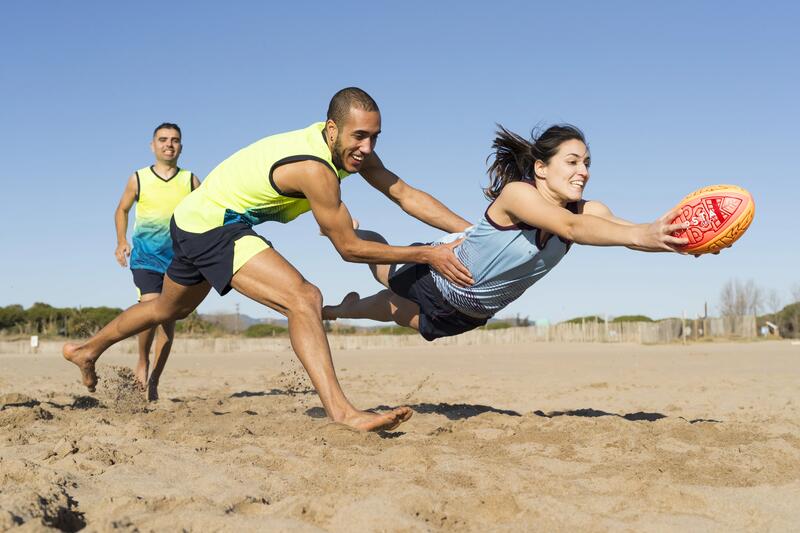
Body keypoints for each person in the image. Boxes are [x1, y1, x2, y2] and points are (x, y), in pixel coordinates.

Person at [64, 87, 472, 431]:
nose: (367, 148)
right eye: (359, 136)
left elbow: (404, 193)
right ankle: (343, 412)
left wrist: (471, 232)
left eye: (375, 138)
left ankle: (87, 349)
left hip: (192, 218)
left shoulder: (344, 151)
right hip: (212, 225)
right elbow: (348, 249)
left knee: (168, 308)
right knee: (304, 297)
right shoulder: (315, 169)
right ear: (332, 129)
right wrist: (427, 254)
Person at [322, 124, 690, 340]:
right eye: (573, 162)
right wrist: (645, 235)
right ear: (541, 168)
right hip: (436, 278)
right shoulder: (519, 195)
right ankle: (351, 229)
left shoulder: (590, 211)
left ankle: (346, 308)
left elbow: (633, 233)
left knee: (392, 312)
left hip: (469, 317)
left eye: (588, 163)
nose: (584, 172)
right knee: (384, 271)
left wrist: (679, 241)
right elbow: (571, 227)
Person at [114, 123, 201, 400]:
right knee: (151, 308)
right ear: (153, 145)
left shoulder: (191, 181)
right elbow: (122, 209)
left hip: (179, 259)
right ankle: (142, 359)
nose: (169, 144)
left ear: (181, 146)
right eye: (163, 139)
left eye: (175, 140)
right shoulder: (138, 178)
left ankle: (154, 380)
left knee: (168, 319)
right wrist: (121, 241)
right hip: (146, 256)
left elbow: (206, 213)